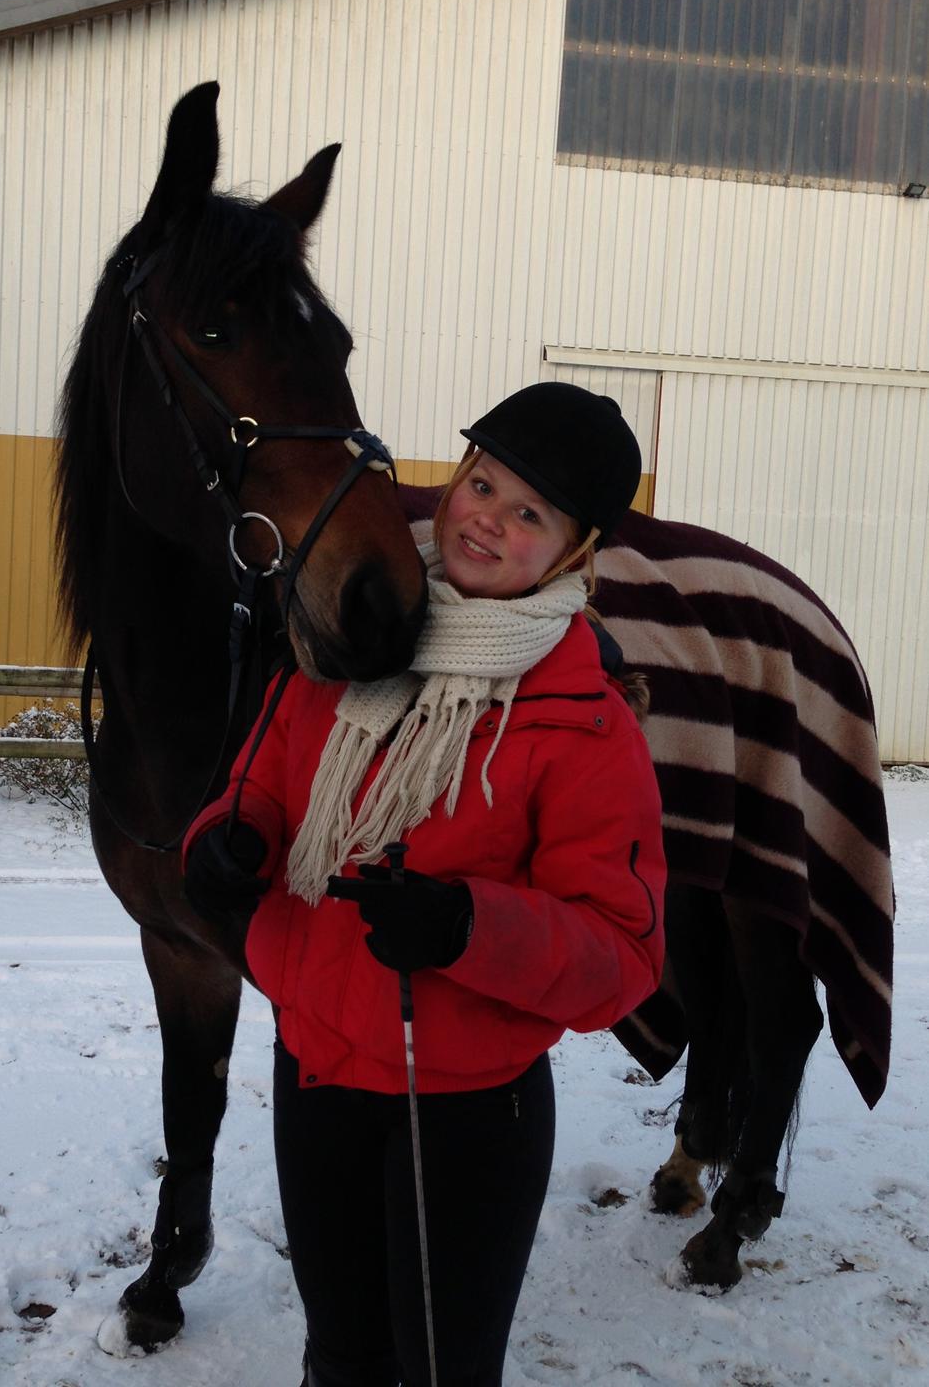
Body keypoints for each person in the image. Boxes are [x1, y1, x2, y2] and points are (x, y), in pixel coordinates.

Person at [182, 381, 667, 1387]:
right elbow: (260, 783)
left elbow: (621, 956)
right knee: (342, 1356)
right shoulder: (350, 635)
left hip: (467, 1115)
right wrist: (227, 840)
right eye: (481, 482)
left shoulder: (584, 723)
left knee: (444, 1367)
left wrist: (464, 928)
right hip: (314, 1073)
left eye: (529, 511)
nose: (487, 517)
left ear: (575, 551)